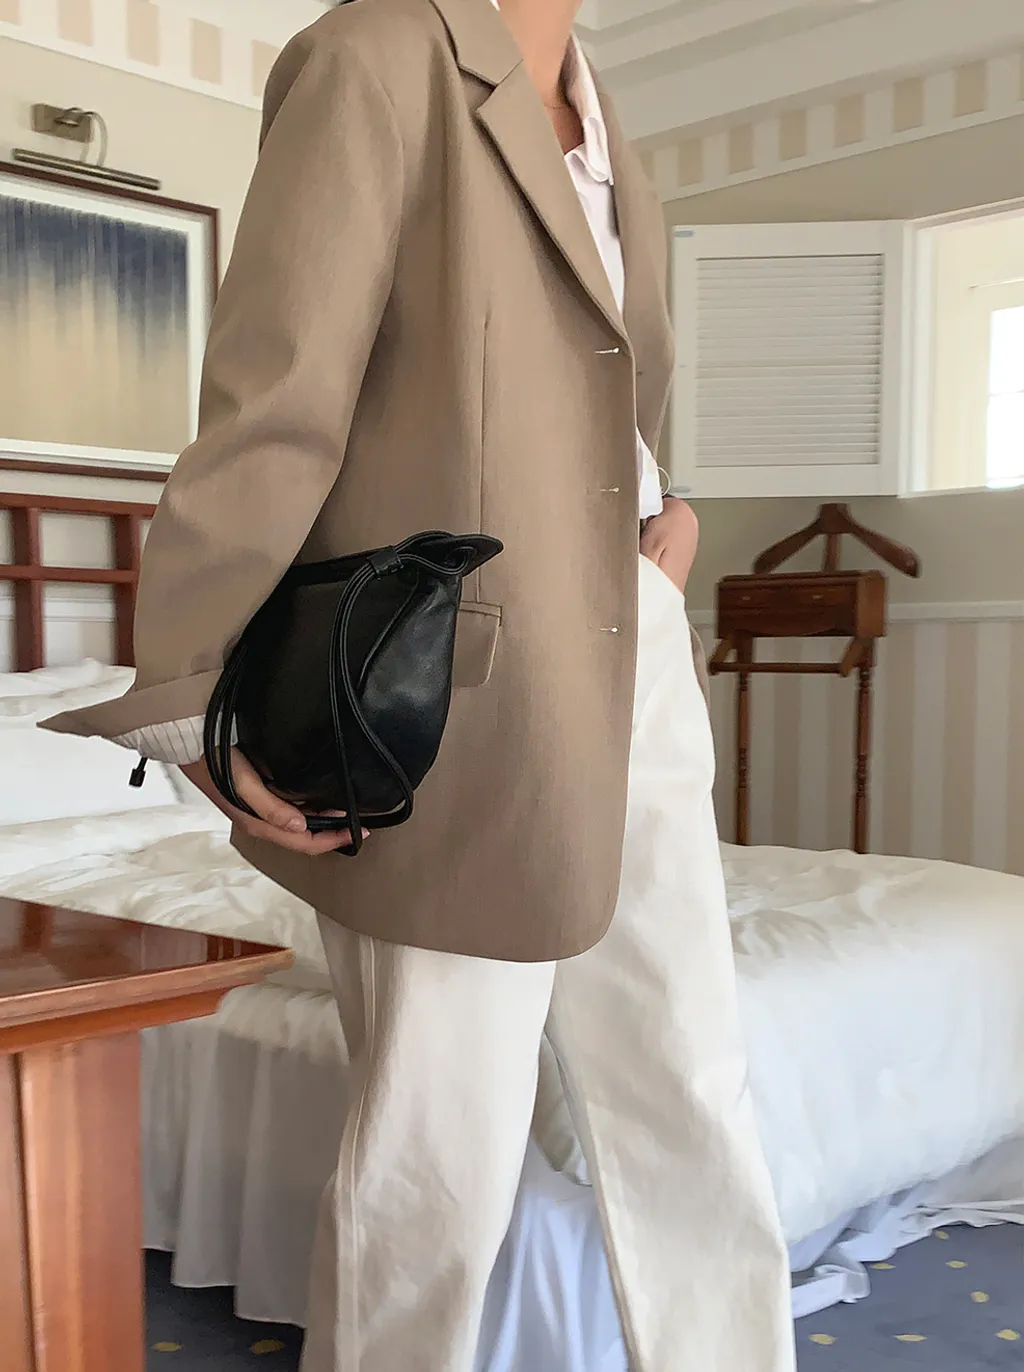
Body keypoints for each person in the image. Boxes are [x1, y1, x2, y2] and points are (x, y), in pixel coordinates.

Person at [44, 2, 797, 1369]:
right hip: (453, 687)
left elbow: (599, 396)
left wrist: (667, 525)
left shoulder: (609, 126)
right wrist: (197, 688)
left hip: (634, 647)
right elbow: (277, 399)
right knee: (437, 1144)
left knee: (691, 1082)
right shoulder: (376, 57)